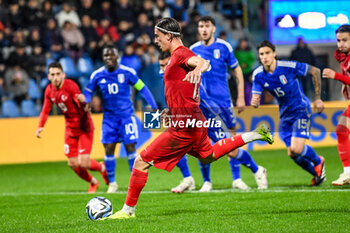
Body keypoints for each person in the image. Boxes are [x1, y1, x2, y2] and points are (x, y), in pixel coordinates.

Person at [104, 17, 273, 220]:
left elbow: (203, 62)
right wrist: (171, 110)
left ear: (169, 35)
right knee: (208, 155)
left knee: (141, 161)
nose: (155, 40)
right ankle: (254, 135)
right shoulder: (177, 56)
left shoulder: (181, 54)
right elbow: (182, 88)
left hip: (184, 126)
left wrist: (198, 69)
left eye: (157, 36)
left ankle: (127, 211)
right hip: (193, 120)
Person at [188, 16, 267, 192]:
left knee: (231, 143)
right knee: (201, 142)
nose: (204, 29)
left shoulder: (224, 47)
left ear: (214, 28)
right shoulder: (193, 49)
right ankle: (207, 181)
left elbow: (237, 70)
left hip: (223, 102)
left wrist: (240, 97)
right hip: (203, 104)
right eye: (201, 26)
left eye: (207, 26)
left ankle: (239, 177)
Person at [77, 45, 158, 193]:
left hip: (126, 117)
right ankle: (112, 183)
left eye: (111, 55)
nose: (108, 58)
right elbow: (88, 91)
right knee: (109, 149)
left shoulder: (128, 72)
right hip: (109, 119)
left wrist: (153, 104)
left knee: (130, 147)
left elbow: (142, 88)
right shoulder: (97, 75)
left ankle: (135, 181)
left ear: (117, 57)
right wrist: (86, 101)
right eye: (105, 56)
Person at [251, 40, 326, 186]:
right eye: (261, 54)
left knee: (297, 148)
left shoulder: (288, 66)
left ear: (274, 54)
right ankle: (316, 175)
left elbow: (315, 71)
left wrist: (317, 99)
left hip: (300, 109)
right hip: (285, 115)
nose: (265, 57)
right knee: (292, 153)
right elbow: (256, 96)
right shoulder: (258, 75)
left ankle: (318, 161)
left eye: (267, 53)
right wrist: (254, 101)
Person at [35, 62, 108, 193]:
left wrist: (84, 103)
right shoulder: (49, 90)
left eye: (58, 74)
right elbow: (45, 110)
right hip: (70, 129)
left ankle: (102, 168)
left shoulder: (70, 86)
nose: (56, 77)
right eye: (53, 74)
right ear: (49, 76)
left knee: (84, 163)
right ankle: (93, 182)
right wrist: (40, 126)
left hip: (84, 127)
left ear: (63, 75)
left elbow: (81, 99)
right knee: (73, 163)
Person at [158, 51, 195, 193]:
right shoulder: (164, 73)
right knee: (175, 146)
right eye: (160, 66)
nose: (162, 69)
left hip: (195, 111)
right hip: (179, 113)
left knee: (210, 150)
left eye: (165, 65)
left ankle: (255, 170)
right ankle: (189, 179)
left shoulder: (181, 69)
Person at [322, 24, 350, 185]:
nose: (341, 44)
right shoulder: (343, 55)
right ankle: (347, 172)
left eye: (345, 40)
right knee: (341, 130)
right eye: (339, 40)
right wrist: (345, 85)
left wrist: (336, 76)